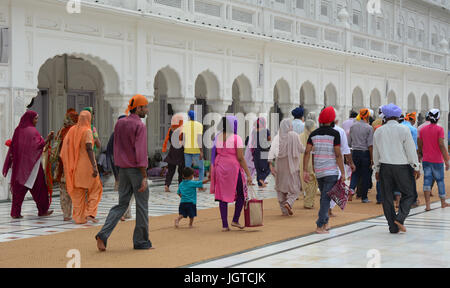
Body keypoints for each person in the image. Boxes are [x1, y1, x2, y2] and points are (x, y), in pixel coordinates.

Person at [96, 94, 152, 251]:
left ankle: (103, 234)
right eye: (145, 107)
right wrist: (144, 176)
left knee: (122, 204)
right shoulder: (139, 126)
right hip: (136, 170)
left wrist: (117, 171)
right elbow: (140, 152)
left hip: (122, 170)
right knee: (142, 205)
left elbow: (115, 148)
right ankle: (141, 242)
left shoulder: (120, 123)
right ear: (138, 108)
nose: (147, 110)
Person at [373, 104, 420, 234]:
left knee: (387, 197)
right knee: (410, 193)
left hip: (385, 167)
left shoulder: (379, 131)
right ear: (398, 116)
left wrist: (376, 169)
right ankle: (400, 218)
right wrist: (415, 166)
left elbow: (375, 153)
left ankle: (392, 227)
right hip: (402, 167)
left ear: (385, 117)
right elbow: (410, 150)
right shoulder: (404, 129)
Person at [2, 110, 54, 219]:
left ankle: (15, 213)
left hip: (20, 166)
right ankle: (42, 210)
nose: (36, 121)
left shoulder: (18, 130)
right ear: (30, 119)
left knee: (19, 190)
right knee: (40, 188)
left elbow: (14, 146)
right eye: (35, 118)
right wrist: (48, 139)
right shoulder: (32, 131)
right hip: (33, 165)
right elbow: (38, 146)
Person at [303, 107, 345, 234]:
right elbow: (338, 154)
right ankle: (320, 225)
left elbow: (307, 152)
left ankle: (325, 222)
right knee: (326, 198)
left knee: (324, 197)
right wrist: (343, 172)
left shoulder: (313, 134)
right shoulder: (335, 134)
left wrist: (305, 170)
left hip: (319, 171)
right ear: (332, 119)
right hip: (331, 171)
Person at [210, 116, 253, 232]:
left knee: (221, 196)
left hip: (219, 167)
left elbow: (214, 154)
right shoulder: (236, 138)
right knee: (241, 194)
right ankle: (235, 219)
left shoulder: (217, 137)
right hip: (233, 169)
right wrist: (248, 174)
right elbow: (240, 157)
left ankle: (225, 225)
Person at [60, 110, 103, 224]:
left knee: (78, 191)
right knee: (95, 188)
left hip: (76, 165)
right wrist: (94, 167)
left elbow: (65, 148)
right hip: (88, 165)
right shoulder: (87, 131)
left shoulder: (72, 130)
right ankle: (90, 213)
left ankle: (79, 218)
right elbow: (89, 147)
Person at [268, 119, 305, 216]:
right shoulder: (294, 135)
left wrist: (271, 165)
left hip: (280, 166)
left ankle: (284, 211)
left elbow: (271, 152)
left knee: (281, 188)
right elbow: (301, 149)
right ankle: (289, 203)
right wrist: (310, 149)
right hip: (291, 167)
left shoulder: (277, 137)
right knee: (295, 189)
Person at [418, 109, 450, 211]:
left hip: (426, 159)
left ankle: (427, 205)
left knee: (427, 180)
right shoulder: (440, 129)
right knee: (440, 180)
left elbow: (419, 143)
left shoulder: (422, 129)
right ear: (438, 117)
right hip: (437, 160)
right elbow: (441, 145)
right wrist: (447, 160)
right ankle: (443, 202)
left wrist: (421, 153)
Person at [53, 109, 79, 221]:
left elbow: (56, 148)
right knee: (76, 189)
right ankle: (77, 213)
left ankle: (66, 214)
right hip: (74, 165)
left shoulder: (61, 131)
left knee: (63, 190)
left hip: (62, 165)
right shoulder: (77, 131)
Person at [348, 108, 374, 203]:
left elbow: (349, 142)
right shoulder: (369, 128)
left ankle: (351, 190)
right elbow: (370, 145)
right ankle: (364, 197)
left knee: (355, 173)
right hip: (365, 153)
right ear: (367, 116)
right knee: (365, 175)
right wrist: (372, 159)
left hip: (355, 152)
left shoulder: (353, 126)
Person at [183, 110, 205, 191]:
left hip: (187, 150)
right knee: (201, 168)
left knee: (187, 169)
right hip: (196, 150)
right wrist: (201, 151)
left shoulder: (185, 125)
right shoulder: (199, 125)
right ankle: (200, 186)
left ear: (189, 117)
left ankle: (188, 186)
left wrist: (185, 146)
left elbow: (184, 138)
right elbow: (199, 139)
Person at [163, 114, 185, 192]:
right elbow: (184, 141)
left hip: (172, 151)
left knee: (171, 170)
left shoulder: (171, 129)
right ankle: (180, 186)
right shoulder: (182, 130)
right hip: (180, 151)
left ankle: (167, 185)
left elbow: (169, 140)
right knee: (181, 170)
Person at [299, 120, 318, 209]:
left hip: (301, 162)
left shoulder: (300, 136)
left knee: (307, 181)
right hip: (310, 161)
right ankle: (308, 202)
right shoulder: (313, 137)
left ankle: (308, 200)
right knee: (312, 181)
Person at [249, 117, 271, 188]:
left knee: (258, 167)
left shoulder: (254, 131)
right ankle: (262, 179)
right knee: (268, 167)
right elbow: (269, 139)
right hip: (264, 151)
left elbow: (252, 141)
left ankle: (260, 183)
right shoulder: (266, 130)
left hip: (256, 151)